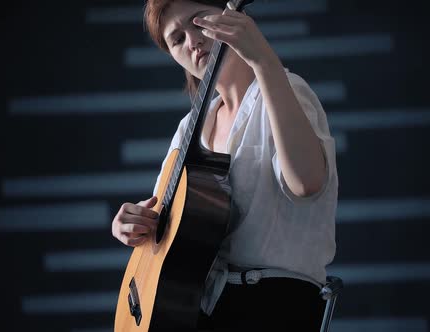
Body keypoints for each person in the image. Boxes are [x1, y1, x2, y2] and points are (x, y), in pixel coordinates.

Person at [111, 0, 338, 330]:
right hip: (202, 311)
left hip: (274, 306)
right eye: (177, 39)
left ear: (231, 15)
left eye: (198, 20)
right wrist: (134, 224)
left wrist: (264, 62)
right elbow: (166, 229)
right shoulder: (188, 130)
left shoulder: (287, 91)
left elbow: (306, 183)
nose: (193, 41)